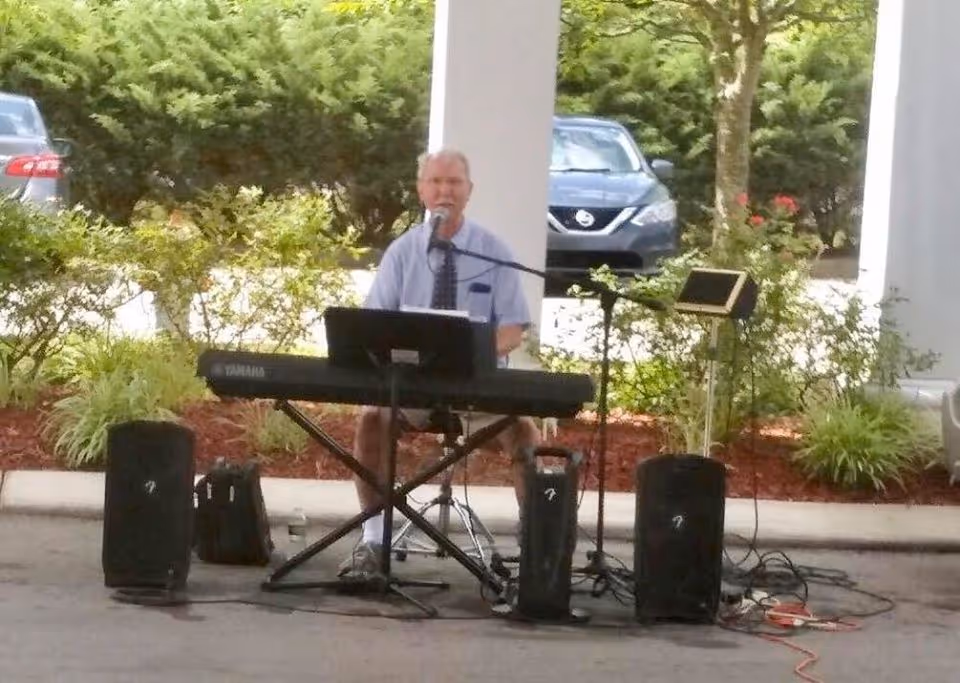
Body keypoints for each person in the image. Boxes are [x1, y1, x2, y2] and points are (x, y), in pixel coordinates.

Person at [340, 148, 541, 577]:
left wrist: (474, 354)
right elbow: (375, 322)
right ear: (421, 190)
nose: (444, 191)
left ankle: (537, 548)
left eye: (453, 183)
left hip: (475, 385)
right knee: (371, 421)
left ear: (469, 192)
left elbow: (512, 331)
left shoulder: (494, 251)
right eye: (435, 182)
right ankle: (374, 541)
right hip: (413, 385)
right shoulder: (402, 252)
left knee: (524, 432)